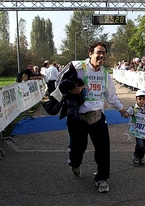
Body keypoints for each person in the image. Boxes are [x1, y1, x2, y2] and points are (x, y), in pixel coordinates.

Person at [53, 41, 127, 193]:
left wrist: (121, 109)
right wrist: (71, 90)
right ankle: (74, 162)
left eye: (104, 53)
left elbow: (111, 96)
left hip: (97, 115)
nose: (102, 55)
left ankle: (102, 179)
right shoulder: (78, 67)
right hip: (77, 116)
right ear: (90, 53)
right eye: (98, 52)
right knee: (78, 148)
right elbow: (58, 83)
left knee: (103, 148)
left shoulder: (105, 74)